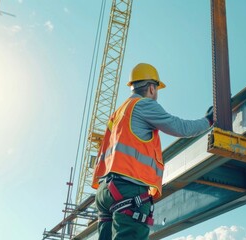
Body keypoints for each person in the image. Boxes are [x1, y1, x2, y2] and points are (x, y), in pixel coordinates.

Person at [91, 63, 214, 240]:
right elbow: (181, 128)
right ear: (151, 88)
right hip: (128, 188)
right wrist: (208, 121)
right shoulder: (143, 105)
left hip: (105, 192)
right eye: (156, 89)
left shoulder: (119, 113)